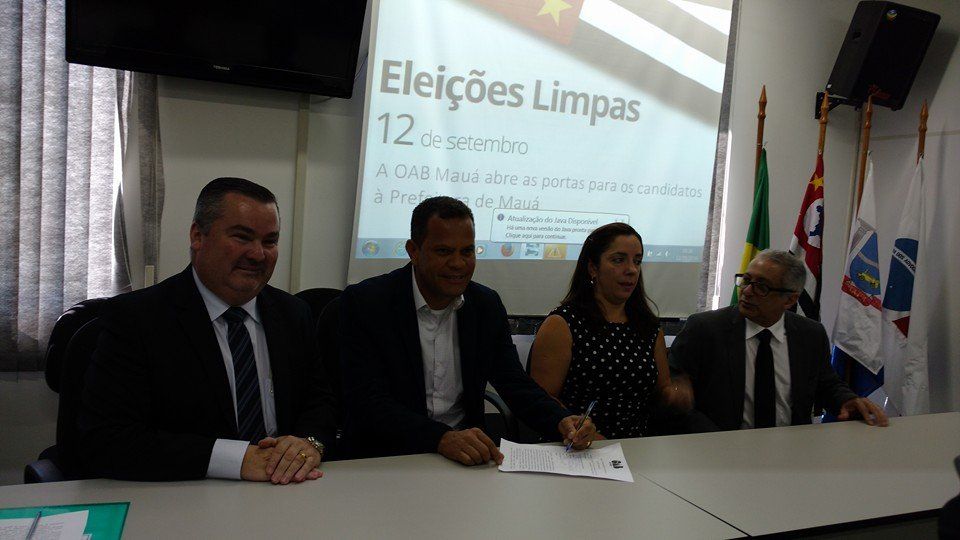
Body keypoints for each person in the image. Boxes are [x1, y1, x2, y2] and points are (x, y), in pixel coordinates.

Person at [78, 177, 338, 483]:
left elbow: (319, 402)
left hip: (286, 488)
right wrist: (236, 459)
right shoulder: (138, 318)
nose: (258, 254)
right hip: (186, 492)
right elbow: (108, 439)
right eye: (242, 237)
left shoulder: (294, 313)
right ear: (198, 236)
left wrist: (309, 443)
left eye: (269, 242)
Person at [339, 196, 597, 464]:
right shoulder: (367, 303)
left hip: (465, 457)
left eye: (467, 251)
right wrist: (440, 438)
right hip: (386, 457)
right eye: (444, 251)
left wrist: (561, 420)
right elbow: (366, 401)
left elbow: (513, 382)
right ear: (413, 251)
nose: (458, 263)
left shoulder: (485, 305)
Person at [669, 249, 889, 432]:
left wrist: (846, 400)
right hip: (719, 450)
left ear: (790, 299)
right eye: (746, 280)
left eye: (762, 287)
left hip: (791, 451)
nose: (747, 291)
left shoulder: (810, 334)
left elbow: (825, 383)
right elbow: (676, 398)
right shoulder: (705, 329)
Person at [529, 223, 691, 439]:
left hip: (636, 448)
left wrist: (675, 395)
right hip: (575, 447)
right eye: (618, 260)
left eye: (637, 261)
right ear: (593, 268)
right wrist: (581, 432)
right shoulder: (562, 324)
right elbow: (541, 400)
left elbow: (662, 392)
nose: (631, 269)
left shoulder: (648, 327)